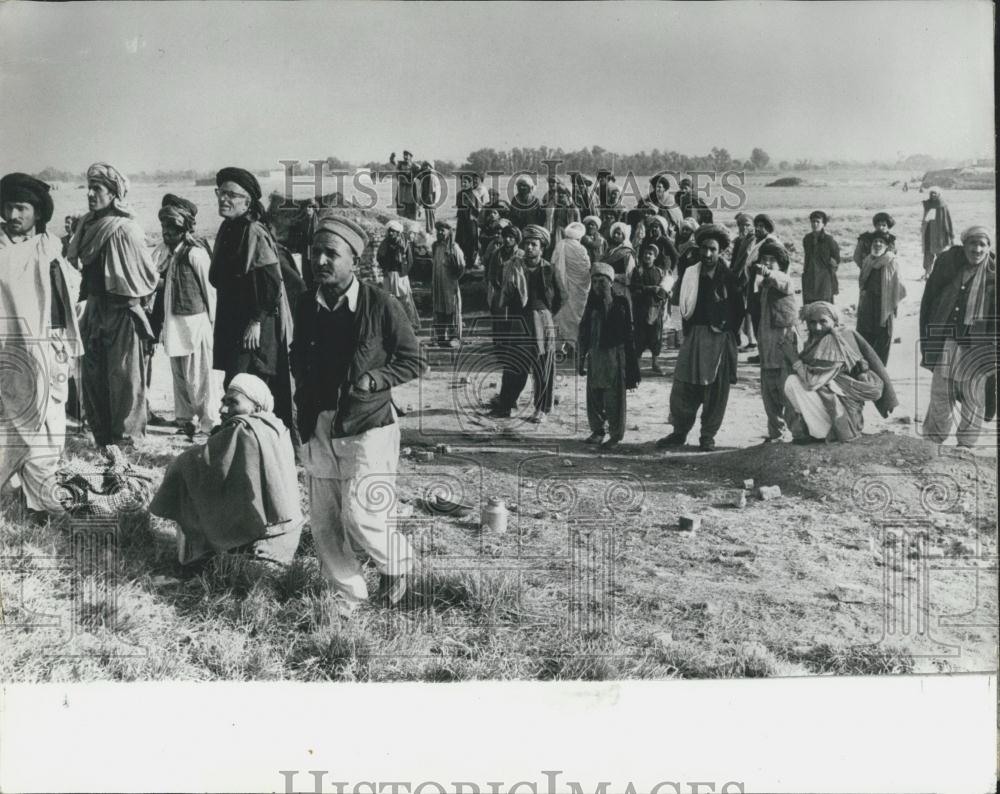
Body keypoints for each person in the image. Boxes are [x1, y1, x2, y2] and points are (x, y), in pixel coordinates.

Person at [291, 216, 423, 609]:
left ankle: (397, 563)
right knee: (325, 521)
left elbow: (414, 360)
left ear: (355, 260)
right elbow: (297, 353)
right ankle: (348, 596)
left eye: (331, 253)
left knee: (361, 515)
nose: (320, 261)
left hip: (368, 424)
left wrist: (374, 379)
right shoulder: (305, 304)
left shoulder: (382, 304)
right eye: (316, 252)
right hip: (319, 422)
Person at [149, 374, 304, 569]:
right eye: (223, 402)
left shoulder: (243, 430)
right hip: (286, 541)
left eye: (233, 403)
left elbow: (183, 465)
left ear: (256, 408)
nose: (222, 409)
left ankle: (200, 553)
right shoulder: (276, 426)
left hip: (259, 550)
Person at [0, 172, 83, 519]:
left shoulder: (50, 247)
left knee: (49, 421)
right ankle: (21, 491)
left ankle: (41, 497)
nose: (13, 215)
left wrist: (60, 344)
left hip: (48, 345)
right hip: (9, 351)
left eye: (21, 208)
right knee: (13, 419)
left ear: (37, 212)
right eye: (8, 207)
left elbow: (62, 299)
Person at [67, 162, 158, 448]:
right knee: (93, 378)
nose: (90, 194)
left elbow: (148, 277)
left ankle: (126, 443)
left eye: (97, 189)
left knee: (125, 380)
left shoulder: (126, 229)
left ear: (114, 193)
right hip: (94, 311)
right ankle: (103, 440)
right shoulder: (85, 226)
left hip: (122, 313)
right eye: (89, 188)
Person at [208, 166, 296, 434]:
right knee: (235, 383)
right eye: (221, 193)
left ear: (247, 202)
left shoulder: (253, 231)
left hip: (255, 326)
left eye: (232, 195)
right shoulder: (228, 228)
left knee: (248, 386)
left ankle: (259, 441)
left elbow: (270, 283)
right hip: (233, 321)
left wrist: (256, 321)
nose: (224, 199)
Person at [657, 224, 744, 452]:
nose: (707, 254)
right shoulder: (690, 275)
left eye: (712, 249)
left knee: (715, 390)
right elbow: (679, 304)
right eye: (704, 248)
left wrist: (726, 331)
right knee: (684, 386)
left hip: (719, 341)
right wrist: (682, 333)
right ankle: (679, 432)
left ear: (720, 251)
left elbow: (739, 311)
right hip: (694, 338)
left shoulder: (729, 277)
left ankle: (707, 436)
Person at [919, 226, 997, 447]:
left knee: (974, 397)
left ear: (988, 248)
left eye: (982, 244)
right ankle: (933, 440)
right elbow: (930, 301)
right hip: (947, 343)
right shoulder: (950, 270)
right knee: (940, 394)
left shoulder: (993, 277)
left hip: (978, 347)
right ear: (964, 246)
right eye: (972, 243)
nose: (977, 249)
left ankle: (966, 444)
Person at [783, 301, 897, 443]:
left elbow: (812, 382)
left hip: (845, 417)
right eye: (812, 322)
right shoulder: (818, 340)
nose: (817, 327)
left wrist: (793, 358)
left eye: (823, 321)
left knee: (793, 382)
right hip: (840, 409)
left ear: (834, 321)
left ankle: (824, 432)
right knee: (797, 381)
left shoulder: (834, 341)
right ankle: (813, 429)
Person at [157, 194, 219, 439]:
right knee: (180, 376)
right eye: (164, 227)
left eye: (172, 227)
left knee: (200, 377)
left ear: (183, 229)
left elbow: (210, 291)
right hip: (174, 326)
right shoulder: (169, 254)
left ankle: (209, 423)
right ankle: (186, 420)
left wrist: (213, 325)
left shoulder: (195, 254)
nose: (167, 232)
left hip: (196, 326)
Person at [492, 225, 562, 423]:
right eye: (527, 244)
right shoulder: (513, 266)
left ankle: (542, 409)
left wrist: (545, 315)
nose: (529, 247)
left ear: (542, 248)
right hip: (518, 321)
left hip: (542, 321)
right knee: (514, 365)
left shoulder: (549, 269)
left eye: (534, 244)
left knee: (543, 366)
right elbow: (503, 292)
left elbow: (561, 297)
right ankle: (506, 404)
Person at [578, 263, 640, 449]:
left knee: (614, 399)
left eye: (602, 281)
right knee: (594, 397)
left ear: (611, 282)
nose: (598, 285)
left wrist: (607, 301)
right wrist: (581, 358)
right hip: (595, 357)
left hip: (614, 357)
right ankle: (597, 431)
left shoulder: (620, 303)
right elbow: (584, 332)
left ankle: (615, 435)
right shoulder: (590, 304)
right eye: (595, 281)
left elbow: (625, 333)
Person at [753, 240, 799, 441]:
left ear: (781, 264)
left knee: (787, 392)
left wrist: (769, 273)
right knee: (768, 394)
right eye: (765, 259)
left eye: (772, 260)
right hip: (767, 349)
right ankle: (776, 434)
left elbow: (783, 281)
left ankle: (798, 433)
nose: (767, 263)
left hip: (783, 350)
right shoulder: (763, 285)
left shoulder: (784, 280)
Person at [856, 230, 906, 365]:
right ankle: (866, 366)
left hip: (884, 305)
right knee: (865, 335)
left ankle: (880, 368)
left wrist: (893, 302)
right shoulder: (868, 260)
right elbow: (862, 282)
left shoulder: (892, 261)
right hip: (868, 304)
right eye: (875, 241)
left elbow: (900, 286)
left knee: (883, 337)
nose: (878, 244)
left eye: (881, 242)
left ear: (886, 246)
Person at [551, 221, 592, 349]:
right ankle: (572, 345)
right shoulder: (582, 249)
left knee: (563, 315)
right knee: (575, 316)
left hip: (564, 286)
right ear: (580, 237)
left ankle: (560, 346)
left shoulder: (561, 245)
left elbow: (555, 266)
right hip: (579, 290)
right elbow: (587, 267)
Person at [376, 219, 420, 332]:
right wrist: (385, 269)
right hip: (389, 275)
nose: (391, 233)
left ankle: (411, 324)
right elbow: (379, 257)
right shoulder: (385, 244)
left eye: (393, 231)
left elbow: (410, 261)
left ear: (398, 232)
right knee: (389, 300)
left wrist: (403, 273)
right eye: (389, 231)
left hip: (401, 276)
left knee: (405, 300)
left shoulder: (404, 244)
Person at [631, 242, 668, 374]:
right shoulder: (638, 271)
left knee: (655, 336)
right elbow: (635, 289)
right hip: (641, 308)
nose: (647, 256)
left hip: (655, 308)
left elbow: (664, 290)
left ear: (655, 257)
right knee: (639, 336)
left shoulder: (659, 272)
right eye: (646, 253)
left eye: (650, 254)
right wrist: (651, 289)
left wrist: (663, 293)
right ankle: (636, 365)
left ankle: (655, 363)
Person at [485, 223, 523, 347]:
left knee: (515, 322)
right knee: (500, 323)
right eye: (505, 236)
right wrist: (497, 287)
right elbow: (491, 273)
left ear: (516, 239)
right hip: (499, 294)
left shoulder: (521, 255)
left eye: (511, 237)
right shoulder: (497, 254)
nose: (507, 239)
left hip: (517, 295)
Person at [431, 219, 466, 347]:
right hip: (438, 283)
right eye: (438, 230)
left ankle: (455, 337)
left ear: (449, 232)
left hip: (450, 284)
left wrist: (454, 277)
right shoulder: (435, 246)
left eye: (443, 230)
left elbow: (461, 266)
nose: (440, 233)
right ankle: (441, 336)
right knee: (439, 308)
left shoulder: (454, 248)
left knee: (452, 308)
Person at [729, 212, 756, 351]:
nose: (744, 227)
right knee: (740, 309)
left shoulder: (753, 239)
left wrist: (737, 276)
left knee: (748, 310)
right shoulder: (740, 240)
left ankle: (752, 341)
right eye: (740, 225)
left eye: (747, 225)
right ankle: (740, 338)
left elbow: (746, 258)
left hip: (748, 279)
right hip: (738, 278)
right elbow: (735, 260)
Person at [802, 210, 840, 305]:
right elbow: (807, 258)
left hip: (824, 279)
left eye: (818, 222)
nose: (815, 224)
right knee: (809, 307)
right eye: (813, 221)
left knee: (825, 307)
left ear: (823, 224)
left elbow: (836, 259)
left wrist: (830, 272)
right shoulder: (807, 239)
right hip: (809, 277)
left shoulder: (829, 240)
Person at [921, 187, 954, 278]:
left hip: (939, 233)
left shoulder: (943, 205)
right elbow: (925, 218)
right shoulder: (928, 204)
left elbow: (947, 220)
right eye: (931, 193)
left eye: (935, 193)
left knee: (940, 253)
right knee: (928, 252)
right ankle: (927, 273)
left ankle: (941, 274)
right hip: (928, 231)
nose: (933, 195)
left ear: (939, 194)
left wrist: (949, 234)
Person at [455, 173, 481, 269]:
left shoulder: (474, 194)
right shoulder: (459, 194)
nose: (463, 184)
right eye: (462, 182)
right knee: (461, 240)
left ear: (470, 183)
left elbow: (478, 209)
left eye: (465, 182)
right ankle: (462, 262)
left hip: (471, 221)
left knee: (472, 240)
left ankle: (471, 262)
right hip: (462, 220)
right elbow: (459, 207)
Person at [603, 221, 636, 288]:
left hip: (620, 287)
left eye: (618, 234)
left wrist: (612, 275)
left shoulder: (627, 253)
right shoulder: (610, 250)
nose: (615, 235)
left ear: (624, 236)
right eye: (614, 233)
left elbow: (629, 275)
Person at [415, 161, 440, 234]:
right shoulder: (426, 174)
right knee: (429, 215)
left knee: (430, 215)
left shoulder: (431, 175)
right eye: (425, 166)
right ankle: (430, 230)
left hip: (430, 198)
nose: (427, 167)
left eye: (428, 166)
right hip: (428, 198)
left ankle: (431, 230)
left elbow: (431, 189)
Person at [396, 150, 419, 220]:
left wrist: (412, 166)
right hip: (402, 190)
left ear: (411, 157)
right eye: (404, 155)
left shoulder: (414, 166)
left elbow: (418, 170)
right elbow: (397, 175)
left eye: (407, 155)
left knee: (411, 209)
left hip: (410, 190)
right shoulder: (400, 165)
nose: (405, 157)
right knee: (401, 211)